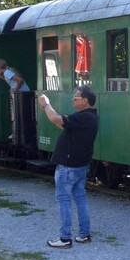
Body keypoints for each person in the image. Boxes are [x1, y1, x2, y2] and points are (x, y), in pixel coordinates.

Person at [37, 85, 98, 249]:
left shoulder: (83, 117)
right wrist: (54, 115)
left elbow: (55, 119)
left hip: (68, 167)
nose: (73, 101)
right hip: (80, 166)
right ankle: (84, 235)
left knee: (63, 200)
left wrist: (45, 104)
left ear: (85, 100)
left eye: (75, 98)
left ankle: (65, 238)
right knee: (80, 199)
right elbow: (62, 124)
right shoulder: (90, 117)